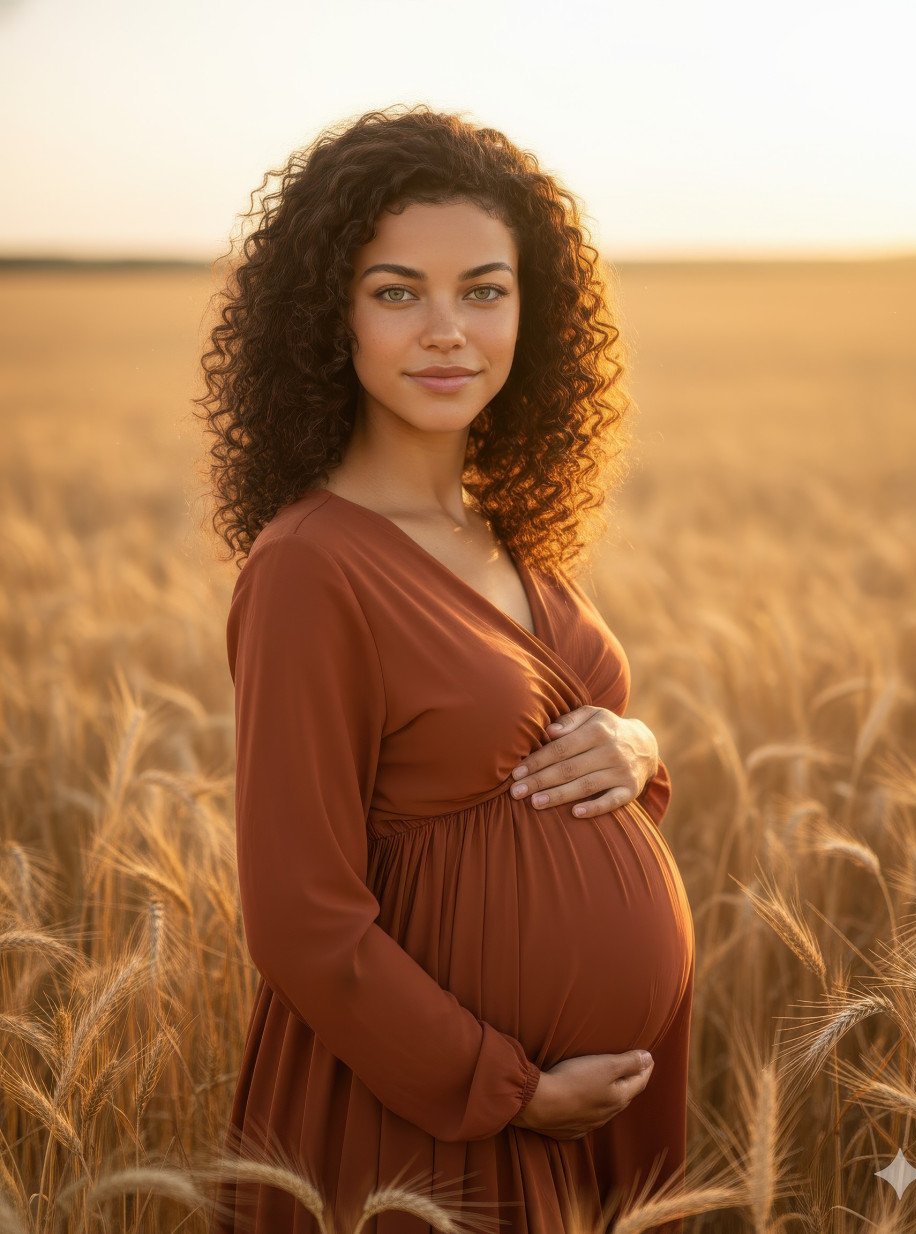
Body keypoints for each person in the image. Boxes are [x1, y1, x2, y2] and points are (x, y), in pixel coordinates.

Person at [198, 103, 696, 1234]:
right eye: (395, 291)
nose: (447, 331)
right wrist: (509, 1089)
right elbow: (301, 919)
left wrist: (637, 744)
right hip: (424, 1133)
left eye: (482, 290)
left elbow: (564, 754)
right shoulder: (308, 568)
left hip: (589, 1118)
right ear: (332, 314)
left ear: (532, 312)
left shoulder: (503, 535)